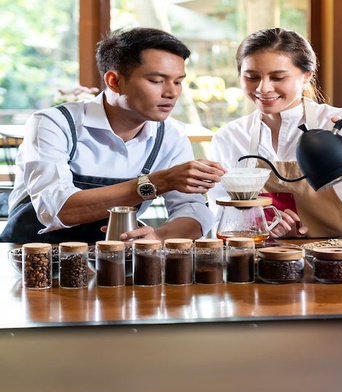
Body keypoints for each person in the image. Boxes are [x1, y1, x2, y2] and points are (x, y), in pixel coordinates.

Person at [0, 27, 227, 244]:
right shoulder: (55, 123)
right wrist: (160, 181)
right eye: (157, 81)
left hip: (113, 262)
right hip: (30, 259)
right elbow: (56, 209)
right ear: (114, 81)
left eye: (178, 81)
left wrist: (160, 237)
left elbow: (192, 208)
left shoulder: (170, 133)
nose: (172, 92)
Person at [208, 27, 342, 238]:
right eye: (252, 77)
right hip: (263, 258)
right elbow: (221, 216)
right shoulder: (229, 137)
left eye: (278, 77)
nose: (263, 88)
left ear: (306, 76)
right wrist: (262, 221)